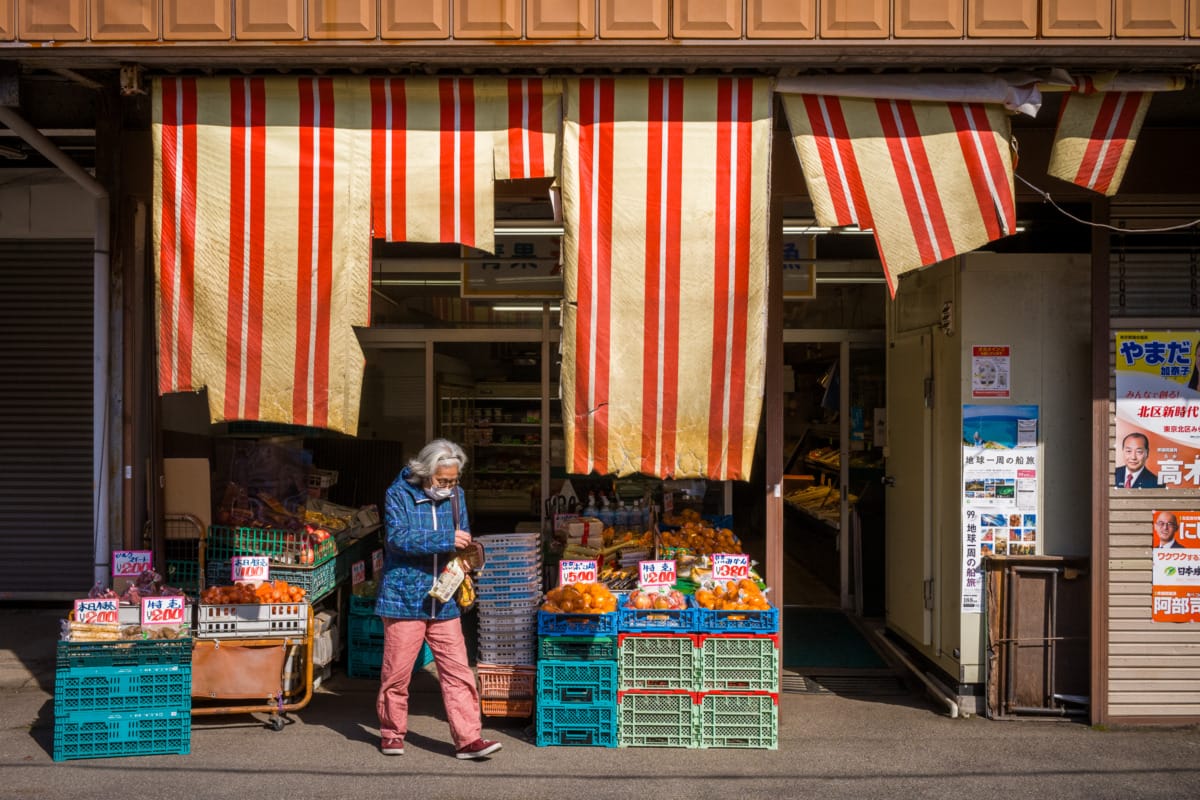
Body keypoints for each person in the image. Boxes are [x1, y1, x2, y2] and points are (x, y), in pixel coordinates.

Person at [375, 438, 501, 760]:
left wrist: (470, 558)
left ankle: (469, 738)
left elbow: (464, 535)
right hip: (404, 596)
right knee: (397, 672)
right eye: (442, 480)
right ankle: (392, 732)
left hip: (444, 598)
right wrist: (445, 539)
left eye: (453, 480)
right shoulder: (398, 494)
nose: (448, 486)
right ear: (425, 472)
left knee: (458, 671)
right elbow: (396, 538)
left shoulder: (456, 497)